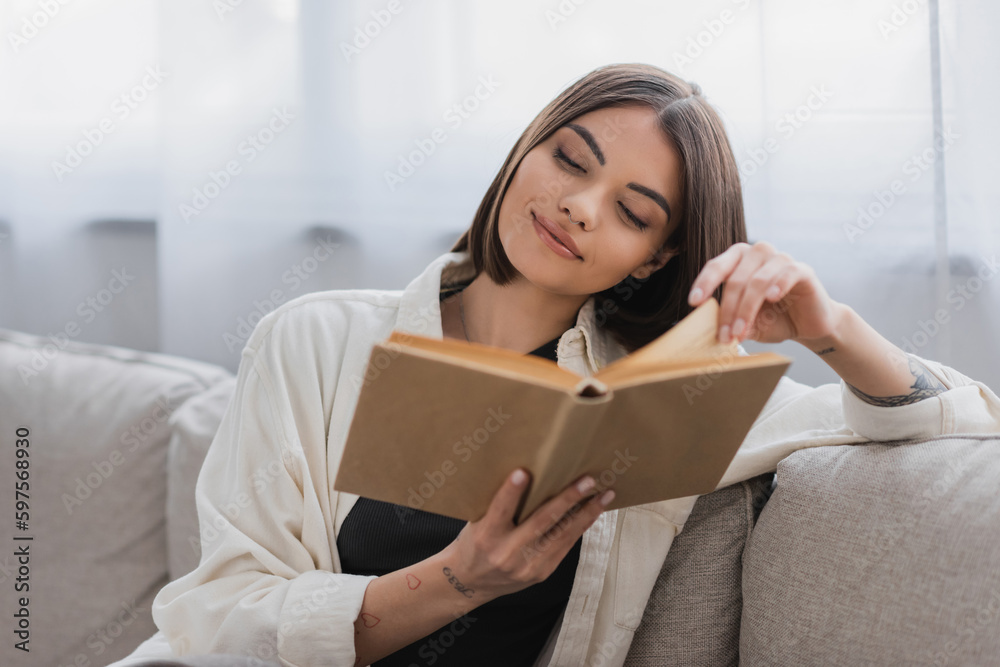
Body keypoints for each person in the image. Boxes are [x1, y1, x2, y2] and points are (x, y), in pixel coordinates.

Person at [112, 63, 1000, 667]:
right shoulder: (315, 339)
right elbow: (215, 619)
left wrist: (827, 324)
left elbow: (952, 420)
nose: (577, 206)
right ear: (526, 150)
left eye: (633, 210)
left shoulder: (658, 402)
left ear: (655, 258)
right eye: (569, 159)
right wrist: (458, 581)